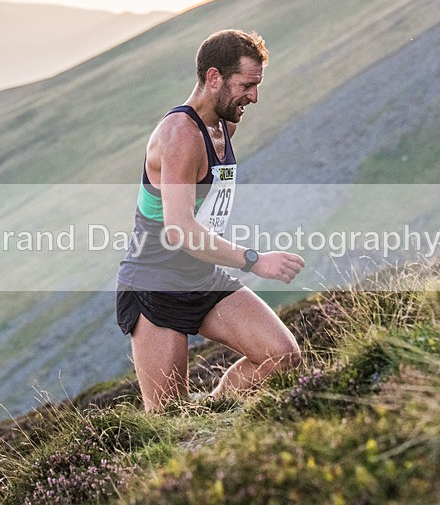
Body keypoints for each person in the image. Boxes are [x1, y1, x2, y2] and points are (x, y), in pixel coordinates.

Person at [116, 29, 304, 412]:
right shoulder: (179, 135)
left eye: (257, 85)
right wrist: (256, 261)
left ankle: (212, 414)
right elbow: (180, 229)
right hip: (156, 284)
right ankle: (193, 436)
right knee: (168, 421)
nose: (254, 96)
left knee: (281, 356)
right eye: (247, 85)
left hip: (201, 275)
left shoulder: (224, 125)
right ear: (214, 77)